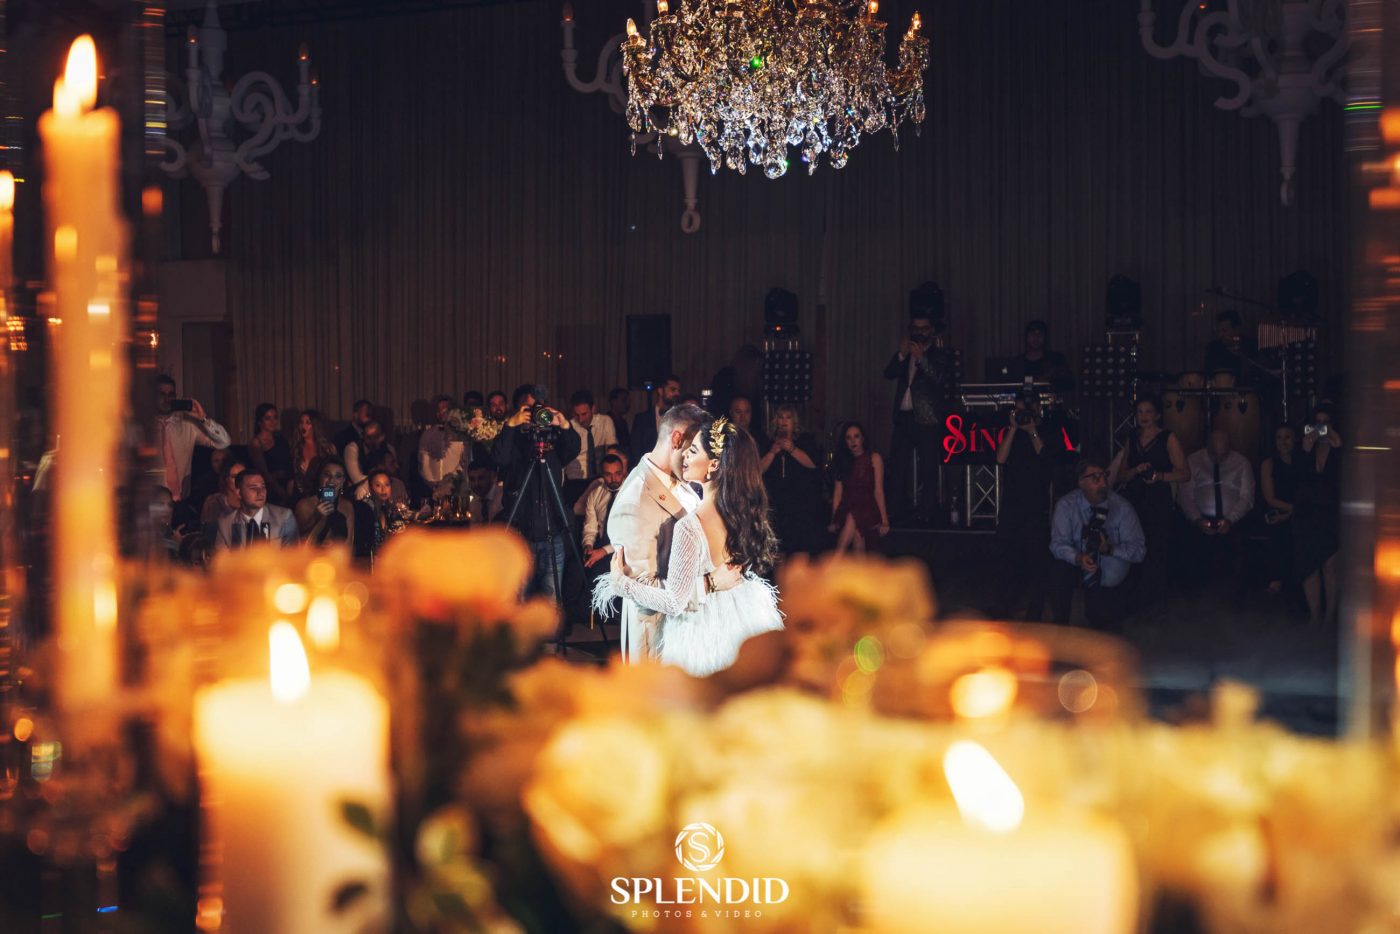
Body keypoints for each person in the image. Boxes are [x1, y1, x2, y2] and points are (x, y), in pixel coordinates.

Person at [603, 417, 783, 677]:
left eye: (694, 450)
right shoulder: (741, 511)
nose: (685, 454)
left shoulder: (690, 526)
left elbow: (674, 601)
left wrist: (622, 584)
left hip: (703, 629)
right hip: (741, 615)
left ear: (714, 465)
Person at [605, 403, 740, 664]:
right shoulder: (634, 503)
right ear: (676, 439)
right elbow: (643, 591)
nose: (691, 457)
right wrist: (709, 583)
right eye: (692, 448)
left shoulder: (682, 479)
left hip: (694, 631)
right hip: (658, 643)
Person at [493, 385, 581, 612]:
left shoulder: (552, 439)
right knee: (519, 602)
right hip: (521, 534)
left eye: (538, 407)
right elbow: (500, 457)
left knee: (551, 604)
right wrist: (510, 426)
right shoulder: (514, 440)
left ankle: (552, 635)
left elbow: (572, 450)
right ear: (518, 409)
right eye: (528, 408)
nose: (534, 413)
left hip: (553, 533)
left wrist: (564, 425)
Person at [1049, 457, 1146, 631]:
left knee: (1105, 622)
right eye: (1096, 478)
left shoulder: (1122, 508)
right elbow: (1057, 544)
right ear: (1081, 482)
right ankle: (1060, 627)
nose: (1103, 483)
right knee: (1059, 571)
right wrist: (1078, 557)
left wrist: (1110, 549)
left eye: (1104, 476)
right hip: (1079, 565)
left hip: (1108, 572)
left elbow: (1139, 551)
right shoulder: (1066, 505)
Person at [1108, 397, 1189, 603]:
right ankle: (1133, 593)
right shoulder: (1132, 437)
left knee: (1156, 546)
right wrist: (1137, 470)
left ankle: (1154, 596)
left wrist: (1160, 476)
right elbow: (1121, 476)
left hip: (1158, 498)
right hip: (1134, 498)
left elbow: (1184, 473)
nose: (1144, 416)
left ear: (1157, 415)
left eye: (1148, 411)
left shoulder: (1168, 438)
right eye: (1140, 412)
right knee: (1133, 542)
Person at [994, 389, 1064, 620]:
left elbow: (1047, 459)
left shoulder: (1049, 430)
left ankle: (1036, 607)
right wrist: (1014, 428)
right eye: (1019, 409)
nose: (1024, 413)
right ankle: (1006, 604)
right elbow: (1000, 458)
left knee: (1036, 557)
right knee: (1007, 555)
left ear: (1038, 408)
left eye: (1028, 408)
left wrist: (1032, 430)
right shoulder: (1012, 432)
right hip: (1012, 503)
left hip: (1036, 503)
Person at [883, 310, 955, 524]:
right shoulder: (906, 353)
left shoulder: (939, 354)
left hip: (927, 418)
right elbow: (888, 373)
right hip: (903, 417)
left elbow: (940, 378)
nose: (919, 332)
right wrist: (901, 354)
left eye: (924, 328)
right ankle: (895, 511)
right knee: (898, 466)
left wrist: (922, 358)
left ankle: (927, 513)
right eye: (916, 328)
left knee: (928, 467)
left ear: (931, 331)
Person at [1179, 428, 1255, 587]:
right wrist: (1197, 519)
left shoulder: (1241, 463)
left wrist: (1231, 519)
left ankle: (1234, 590)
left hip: (1234, 520)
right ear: (1207, 446)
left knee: (1240, 548)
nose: (1219, 459)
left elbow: (1247, 497)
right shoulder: (1193, 461)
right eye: (1215, 455)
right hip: (1200, 519)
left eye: (1223, 455)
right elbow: (1185, 495)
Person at [1294, 404, 1343, 625]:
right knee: (1309, 567)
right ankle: (1315, 618)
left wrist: (1337, 444)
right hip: (1307, 515)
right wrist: (1305, 449)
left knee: (1330, 566)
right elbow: (1296, 479)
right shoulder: (1304, 448)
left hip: (1331, 514)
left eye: (1326, 422)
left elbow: (1344, 479)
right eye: (1318, 422)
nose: (1321, 427)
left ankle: (1329, 618)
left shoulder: (1339, 448)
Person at [155, 375, 230, 503]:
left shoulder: (189, 427)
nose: (167, 399)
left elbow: (224, 442)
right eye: (161, 395)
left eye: (171, 395)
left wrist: (203, 418)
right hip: (151, 501)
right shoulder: (143, 429)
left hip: (182, 500)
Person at [760, 404, 822, 556]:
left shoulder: (805, 440)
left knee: (800, 546)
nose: (784, 421)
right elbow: (759, 470)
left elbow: (813, 464)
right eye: (781, 417)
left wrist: (793, 449)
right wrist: (772, 453)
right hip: (776, 500)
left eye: (788, 417)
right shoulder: (767, 441)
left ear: (794, 421)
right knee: (778, 547)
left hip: (799, 500)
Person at [829, 422, 889, 554]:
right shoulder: (842, 461)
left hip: (868, 507)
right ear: (845, 441)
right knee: (855, 525)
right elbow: (837, 493)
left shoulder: (874, 458)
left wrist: (884, 520)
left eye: (856, 436)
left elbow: (878, 491)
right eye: (848, 438)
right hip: (847, 507)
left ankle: (835, 559)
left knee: (854, 518)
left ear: (863, 438)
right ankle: (852, 565)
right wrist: (833, 520)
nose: (853, 441)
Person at [213, 469, 298, 550]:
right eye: (253, 488)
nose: (261, 492)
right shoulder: (225, 525)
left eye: (263, 487)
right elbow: (221, 559)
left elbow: (292, 556)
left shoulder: (284, 518)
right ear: (239, 493)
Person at [1260, 424, 1300, 595]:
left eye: (1287, 437)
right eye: (1279, 438)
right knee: (1279, 528)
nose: (1283, 442)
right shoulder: (1269, 464)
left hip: (1300, 513)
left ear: (1295, 439)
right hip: (1279, 512)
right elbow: (1270, 498)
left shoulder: (1303, 463)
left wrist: (1297, 511)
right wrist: (1294, 510)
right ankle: (1276, 580)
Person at [564, 389, 618, 505]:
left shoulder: (605, 422)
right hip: (576, 481)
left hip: (599, 479)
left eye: (584, 414)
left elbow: (612, 452)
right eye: (577, 415)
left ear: (593, 409)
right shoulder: (569, 427)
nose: (581, 419)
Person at [294, 458, 362, 550]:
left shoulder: (347, 506)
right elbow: (298, 543)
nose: (331, 480)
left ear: (343, 481)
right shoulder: (304, 504)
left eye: (338, 476)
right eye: (327, 474)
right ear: (320, 477)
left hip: (337, 557)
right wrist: (316, 517)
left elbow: (348, 544)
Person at [419, 394, 467, 501]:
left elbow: (463, 461)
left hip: (455, 488)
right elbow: (424, 462)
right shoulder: (427, 435)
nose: (442, 413)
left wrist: (450, 482)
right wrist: (434, 485)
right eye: (439, 410)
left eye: (446, 410)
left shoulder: (461, 435)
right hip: (432, 490)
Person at [629, 375, 682, 467]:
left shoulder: (681, 418)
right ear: (660, 391)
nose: (677, 394)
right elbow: (635, 451)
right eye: (673, 390)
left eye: (678, 390)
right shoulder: (642, 420)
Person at [248, 403, 295, 506]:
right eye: (268, 418)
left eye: (275, 417)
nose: (273, 422)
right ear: (260, 422)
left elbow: (289, 462)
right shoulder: (256, 443)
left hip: (287, 483)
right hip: (269, 486)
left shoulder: (281, 439)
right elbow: (263, 472)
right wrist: (280, 491)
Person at [291, 410, 337, 502]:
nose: (303, 426)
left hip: (321, 495)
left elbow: (334, 473)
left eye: (308, 423)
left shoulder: (327, 448)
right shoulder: (295, 448)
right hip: (300, 496)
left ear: (315, 425)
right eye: (301, 422)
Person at [709, 344, 765, 419]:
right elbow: (717, 407)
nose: (758, 367)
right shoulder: (725, 377)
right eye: (756, 364)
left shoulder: (756, 382)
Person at [1015, 320, 1074, 391]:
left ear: (1045, 337)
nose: (1036, 337)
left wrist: (1049, 380)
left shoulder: (1056, 360)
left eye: (1040, 334)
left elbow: (1069, 384)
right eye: (1032, 334)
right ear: (1026, 337)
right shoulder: (1018, 363)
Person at [1202, 310, 1258, 382]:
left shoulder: (1250, 347)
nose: (1221, 335)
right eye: (1219, 331)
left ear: (1237, 329)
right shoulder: (1213, 349)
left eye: (1224, 331)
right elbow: (1207, 375)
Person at [608, 387, 633, 454]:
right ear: (613, 401)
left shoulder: (623, 422)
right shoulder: (607, 420)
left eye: (628, 401)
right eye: (624, 400)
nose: (627, 404)